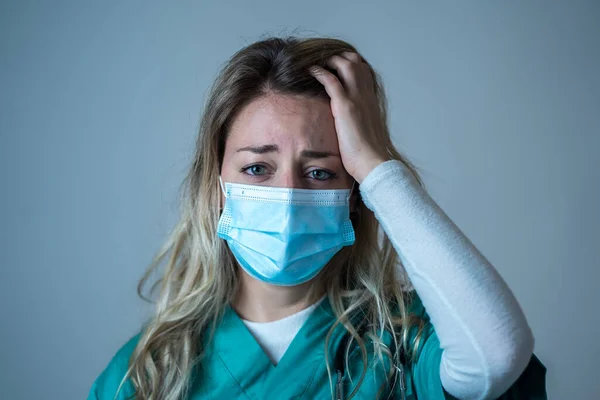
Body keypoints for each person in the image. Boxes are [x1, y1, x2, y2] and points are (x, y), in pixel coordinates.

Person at [87, 36, 547, 399]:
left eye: (319, 171)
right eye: (257, 168)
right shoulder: (146, 374)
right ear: (217, 186)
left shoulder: (402, 347)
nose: (287, 194)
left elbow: (497, 356)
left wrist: (376, 162)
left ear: (354, 195)